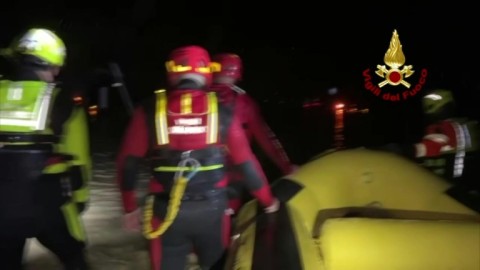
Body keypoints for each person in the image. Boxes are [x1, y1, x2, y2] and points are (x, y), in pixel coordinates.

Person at [116, 45, 279, 270]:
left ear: (172, 71)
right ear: (207, 72)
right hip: (212, 212)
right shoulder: (222, 111)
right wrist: (268, 202)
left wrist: (129, 207)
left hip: (165, 214)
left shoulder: (148, 109)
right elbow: (247, 164)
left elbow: (128, 163)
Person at [0, 28, 92, 269]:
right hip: (46, 204)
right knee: (74, 258)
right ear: (51, 65)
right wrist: (80, 200)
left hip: (2, 207)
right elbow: (79, 161)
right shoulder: (63, 101)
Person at [209, 52, 295, 213]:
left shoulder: (196, 98)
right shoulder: (244, 102)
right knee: (227, 217)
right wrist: (286, 167)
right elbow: (267, 140)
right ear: (238, 73)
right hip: (232, 176)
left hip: (196, 178)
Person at [381, 88, 479, 188]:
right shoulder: (466, 126)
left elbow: (430, 147)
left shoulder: (441, 128)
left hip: (445, 187)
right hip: (467, 186)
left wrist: (402, 150)